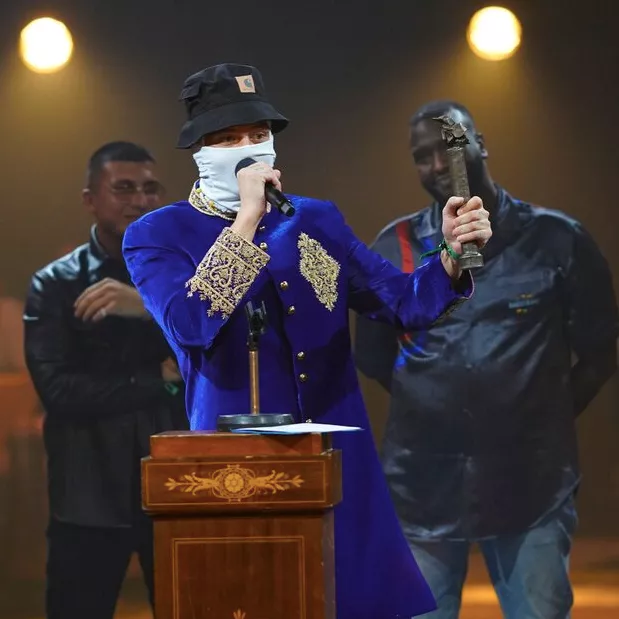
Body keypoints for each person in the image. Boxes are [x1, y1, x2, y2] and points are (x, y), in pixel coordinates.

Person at [121, 64, 492, 619]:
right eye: (230, 139)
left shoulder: (315, 219)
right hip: (236, 464)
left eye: (258, 135)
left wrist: (452, 256)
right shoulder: (157, 234)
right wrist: (247, 219)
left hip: (334, 452)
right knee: (254, 598)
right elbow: (190, 324)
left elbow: (399, 301)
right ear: (200, 150)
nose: (249, 149)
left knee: (350, 598)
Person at [354, 100, 619, 619]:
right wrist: (436, 407)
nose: (437, 165)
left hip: (531, 484)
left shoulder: (557, 239)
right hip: (421, 486)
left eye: (449, 147)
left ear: (482, 144)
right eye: (422, 156)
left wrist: (543, 419)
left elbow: (599, 352)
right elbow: (372, 356)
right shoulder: (394, 247)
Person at [23, 141, 188, 619]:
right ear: (90, 199)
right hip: (88, 495)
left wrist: (149, 306)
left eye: (150, 188)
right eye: (124, 188)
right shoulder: (56, 283)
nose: (140, 200)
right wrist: (157, 379)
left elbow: (222, 352)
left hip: (178, 485)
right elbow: (58, 391)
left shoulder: (184, 276)